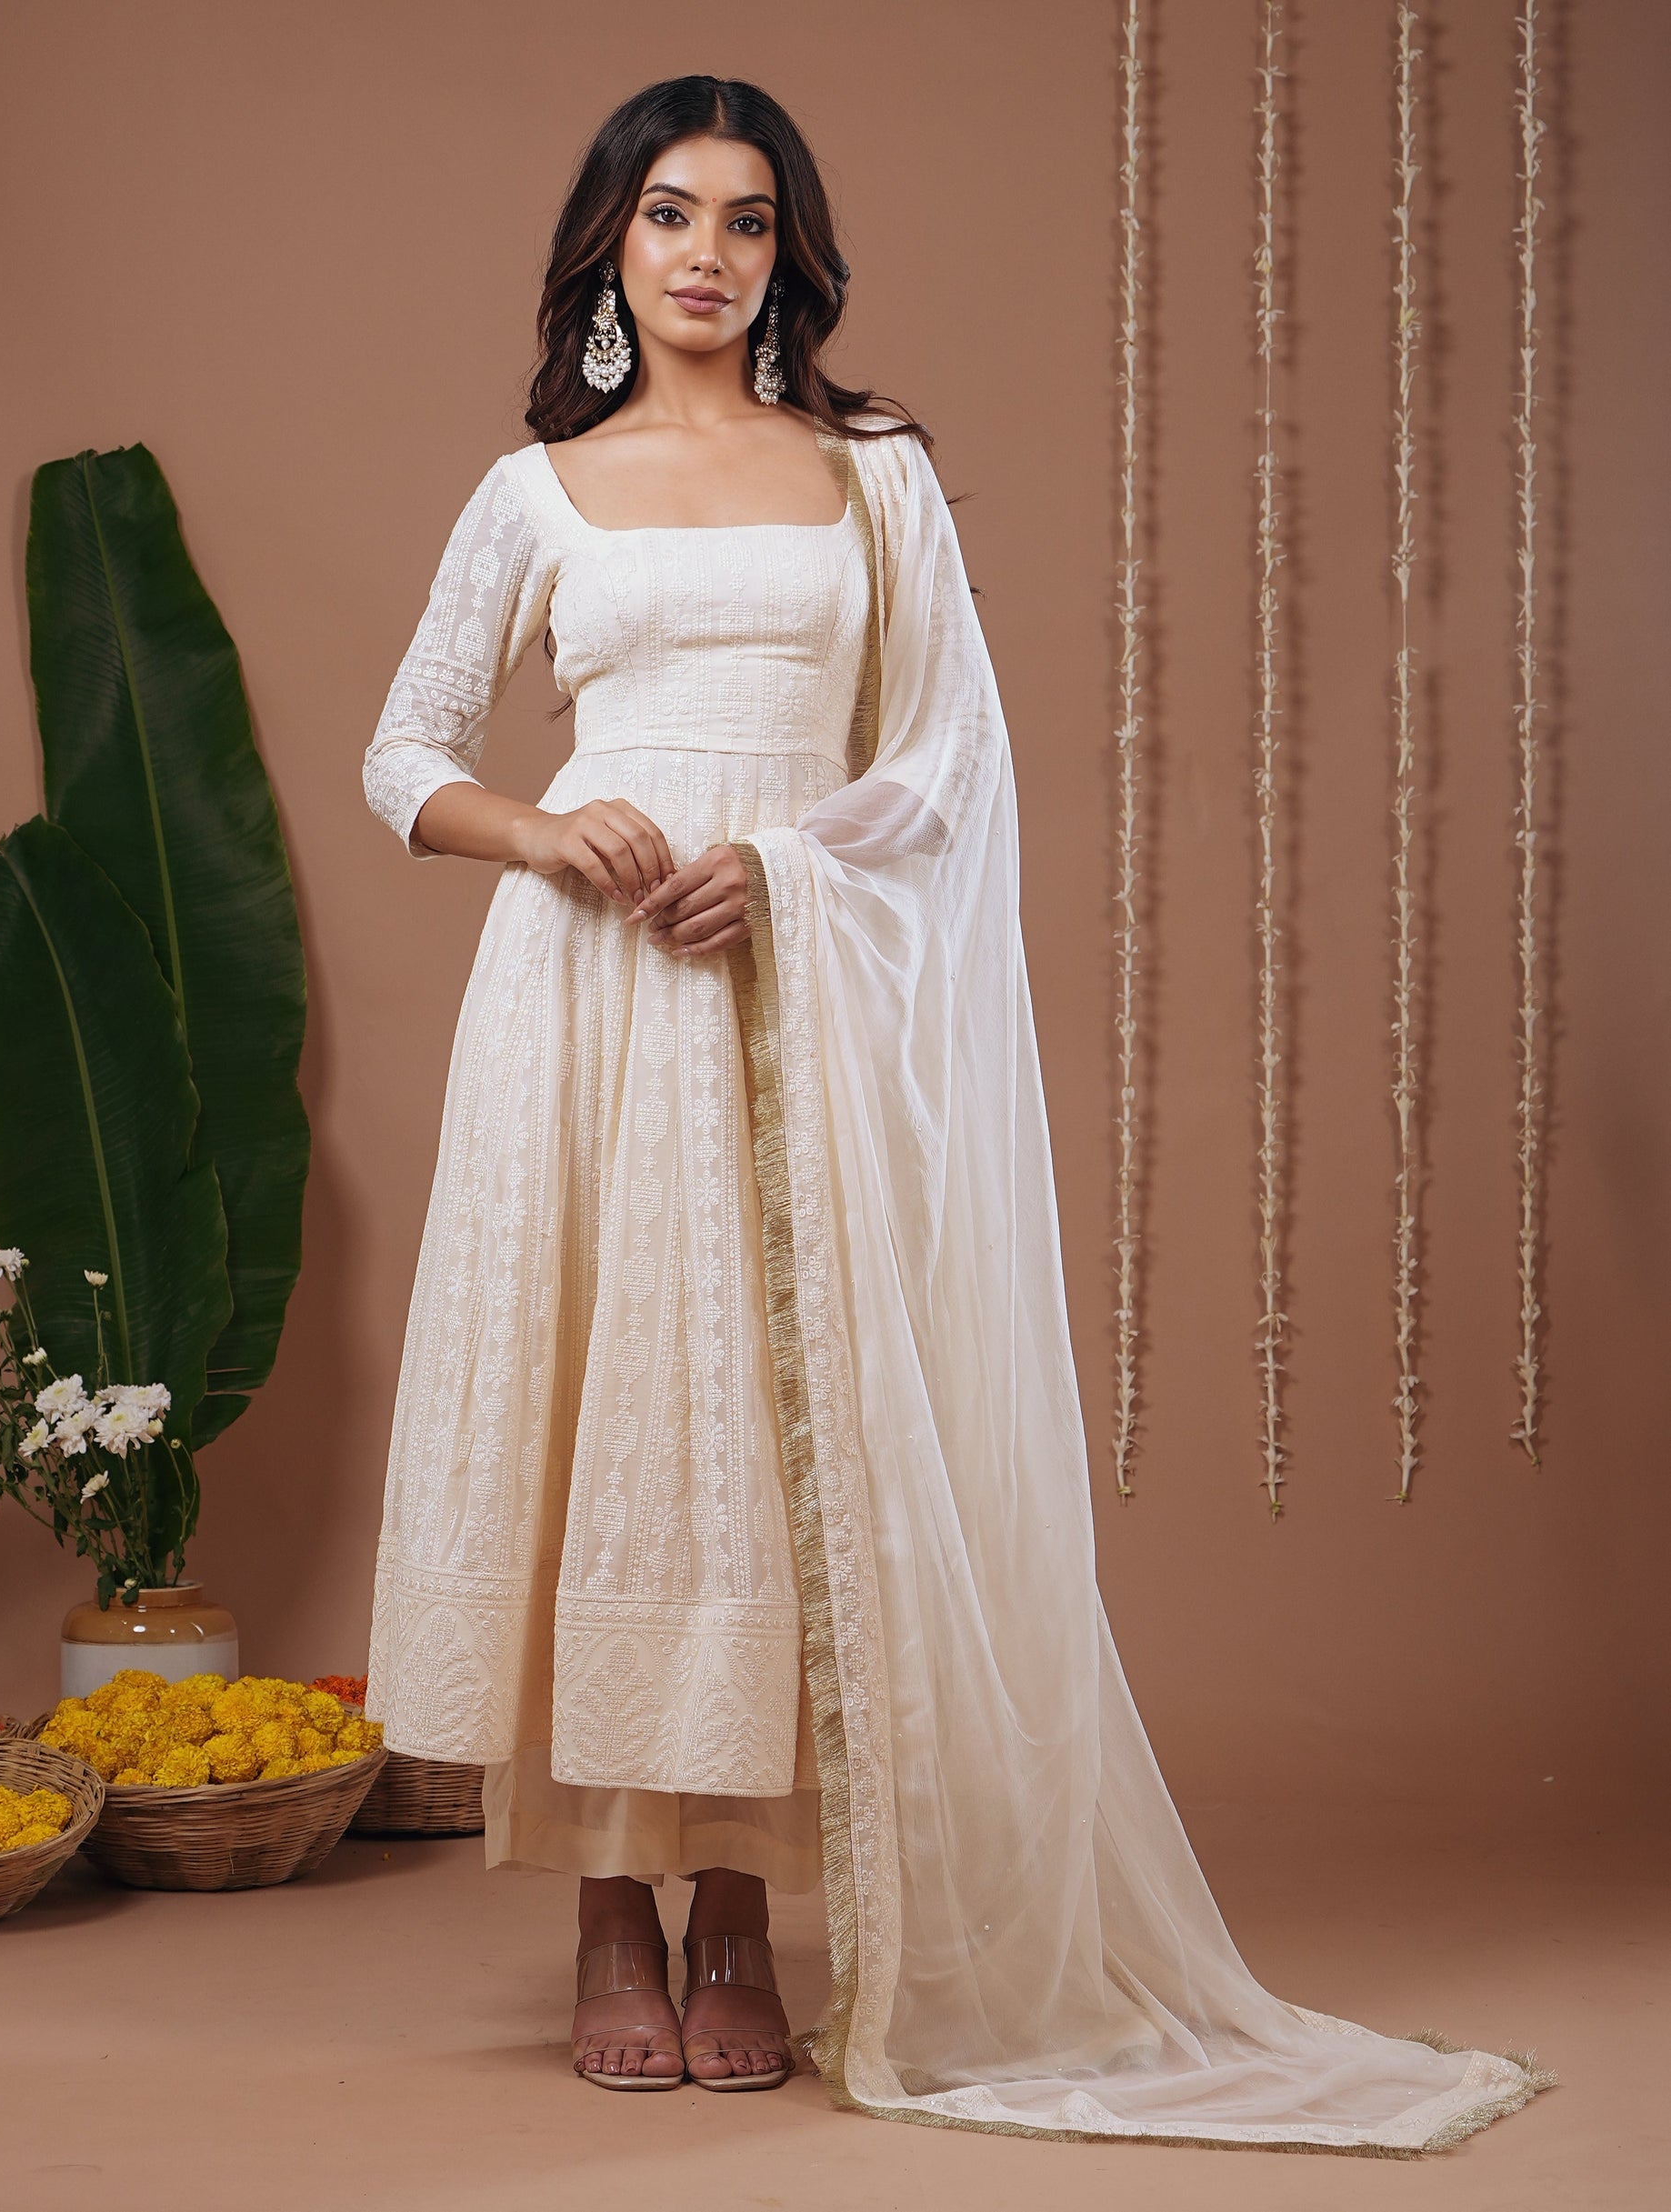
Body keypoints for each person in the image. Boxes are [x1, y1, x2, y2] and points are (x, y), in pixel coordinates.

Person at [363, 74, 1549, 2147]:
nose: (709, 254)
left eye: (747, 219)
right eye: (670, 214)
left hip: (797, 1002)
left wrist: (786, 867)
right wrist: (543, 833)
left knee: (772, 1433)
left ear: (789, 257)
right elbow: (404, 754)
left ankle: (740, 1907)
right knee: (610, 1424)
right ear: (610, 246)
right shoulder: (534, 492)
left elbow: (948, 760)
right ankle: (608, 1911)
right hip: (588, 1001)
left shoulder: (875, 477)